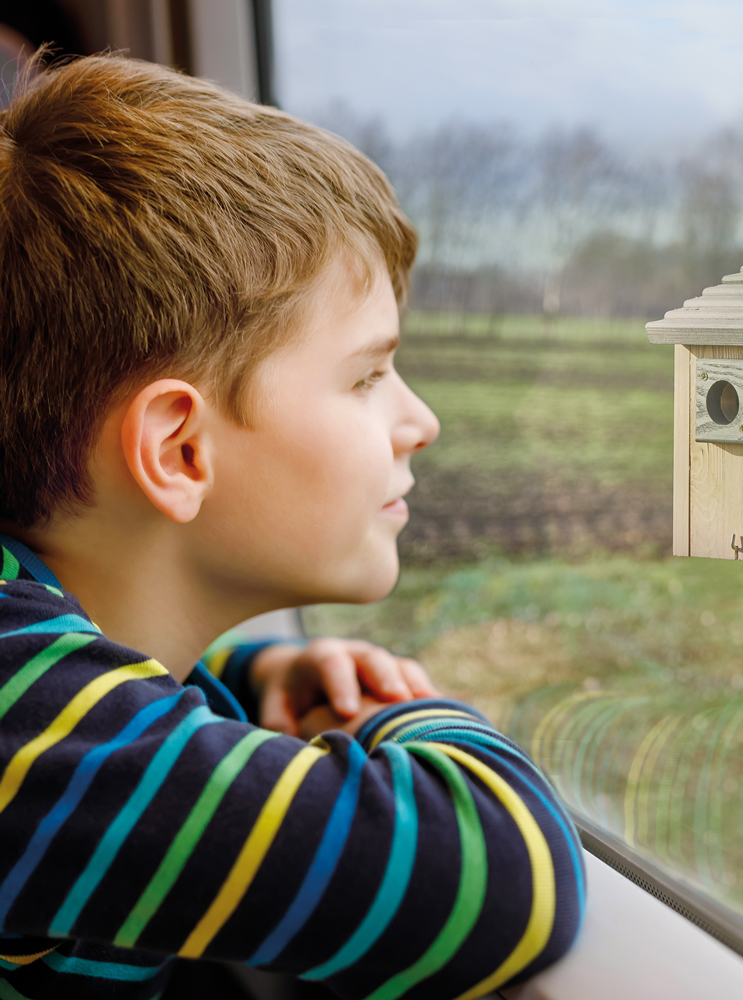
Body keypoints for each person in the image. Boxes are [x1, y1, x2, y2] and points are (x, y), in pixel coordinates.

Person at [0, 53, 585, 1000]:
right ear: (181, 451)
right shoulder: (24, 730)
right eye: (364, 377)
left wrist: (245, 680)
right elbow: (497, 880)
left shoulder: (46, 706)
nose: (420, 422)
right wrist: (404, 715)